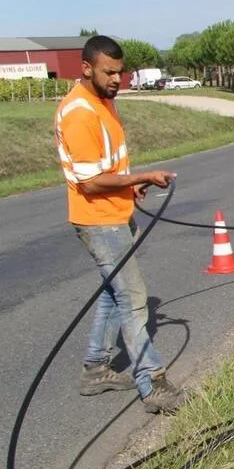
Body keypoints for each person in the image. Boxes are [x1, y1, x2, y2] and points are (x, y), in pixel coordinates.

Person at [55, 35, 183, 414]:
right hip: (99, 221)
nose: (117, 79)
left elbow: (106, 169)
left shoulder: (102, 102)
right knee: (133, 300)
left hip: (116, 213)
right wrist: (139, 176)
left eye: (120, 72)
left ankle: (95, 370)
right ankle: (153, 384)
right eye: (109, 72)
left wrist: (132, 186)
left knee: (114, 295)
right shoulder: (80, 112)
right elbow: (90, 181)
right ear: (87, 68)